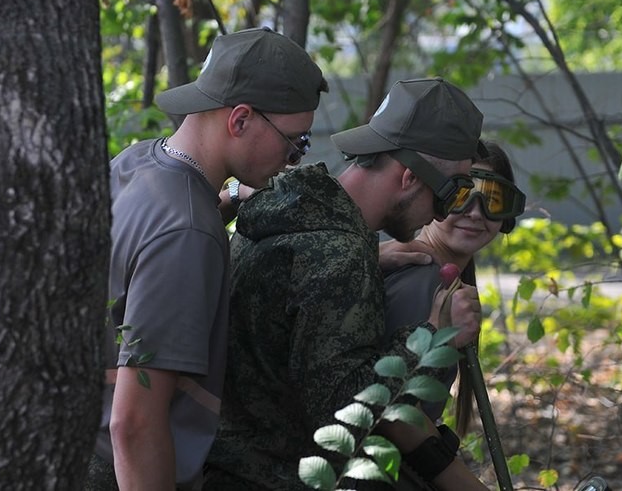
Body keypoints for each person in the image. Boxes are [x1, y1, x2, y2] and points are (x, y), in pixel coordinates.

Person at [205, 78, 492, 490]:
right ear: (410, 177)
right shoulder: (338, 255)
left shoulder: (289, 211)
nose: (445, 212)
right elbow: (346, 412)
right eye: (448, 194)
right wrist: (432, 334)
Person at [85, 27, 328, 491]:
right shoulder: (188, 233)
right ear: (239, 120)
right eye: (295, 142)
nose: (294, 158)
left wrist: (229, 196)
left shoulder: (137, 164)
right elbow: (134, 425)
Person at [381, 142, 525, 434]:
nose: (475, 213)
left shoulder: (441, 281)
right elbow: (395, 417)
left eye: (492, 200)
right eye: (459, 195)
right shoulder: (423, 281)